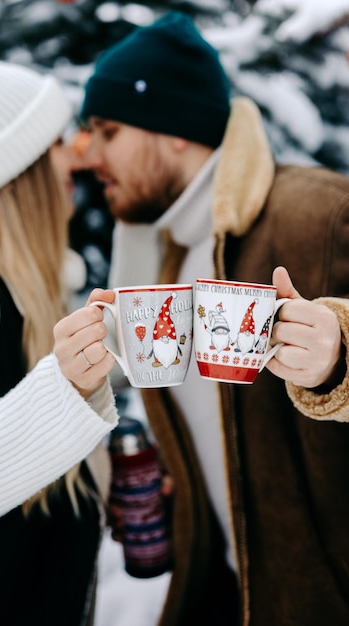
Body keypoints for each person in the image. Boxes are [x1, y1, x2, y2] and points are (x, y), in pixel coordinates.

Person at [78, 11, 349, 626]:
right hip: (237, 595)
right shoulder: (169, 254)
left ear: (172, 127)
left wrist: (342, 353)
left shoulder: (320, 216)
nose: (88, 154)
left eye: (107, 129)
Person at [0, 24, 117, 626]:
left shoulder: (7, 280)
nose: (78, 155)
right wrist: (66, 389)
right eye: (60, 141)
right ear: (19, 171)